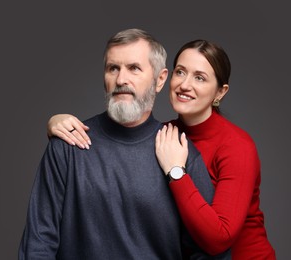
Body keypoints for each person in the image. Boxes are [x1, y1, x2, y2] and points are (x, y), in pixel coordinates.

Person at [48, 39, 276, 259]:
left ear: (220, 92)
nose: (185, 84)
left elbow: (219, 239)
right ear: (166, 77)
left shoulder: (237, 146)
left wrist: (176, 172)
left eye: (200, 78)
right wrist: (56, 123)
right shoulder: (165, 135)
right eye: (180, 72)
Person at [18, 29, 230, 259]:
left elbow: (208, 252)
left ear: (160, 79)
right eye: (113, 68)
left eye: (134, 68)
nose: (121, 80)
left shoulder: (180, 153)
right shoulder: (67, 145)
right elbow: (38, 243)